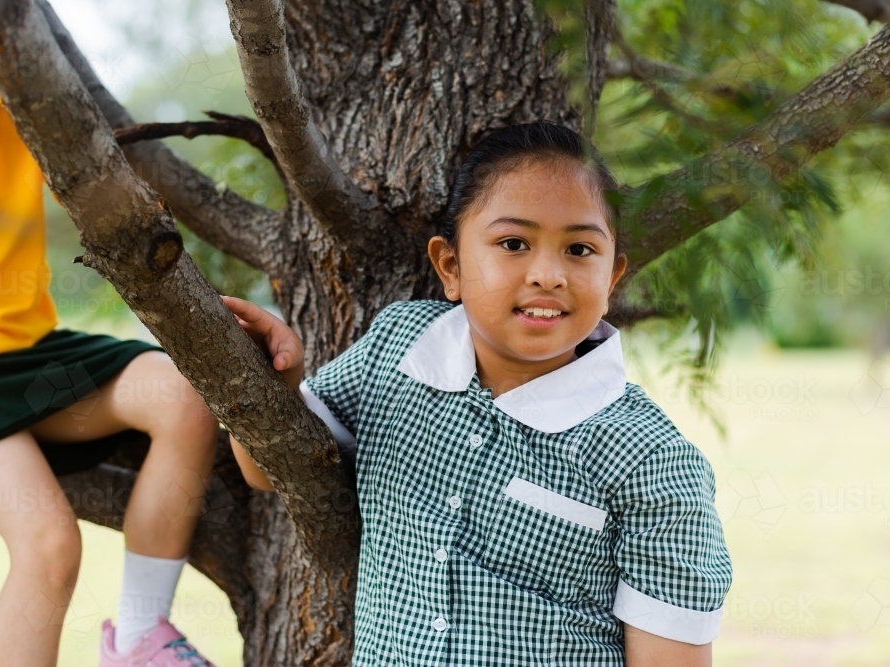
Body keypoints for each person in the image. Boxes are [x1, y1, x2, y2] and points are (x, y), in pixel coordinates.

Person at [223, 120, 733, 666]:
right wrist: (277, 381)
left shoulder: (649, 459)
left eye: (580, 249)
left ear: (611, 280)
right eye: (513, 243)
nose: (549, 274)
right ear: (450, 267)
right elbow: (266, 469)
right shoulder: (398, 349)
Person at [0, 5, 222, 666]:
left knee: (185, 395)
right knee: (49, 543)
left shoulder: (24, 78)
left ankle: (140, 635)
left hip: (24, 344)